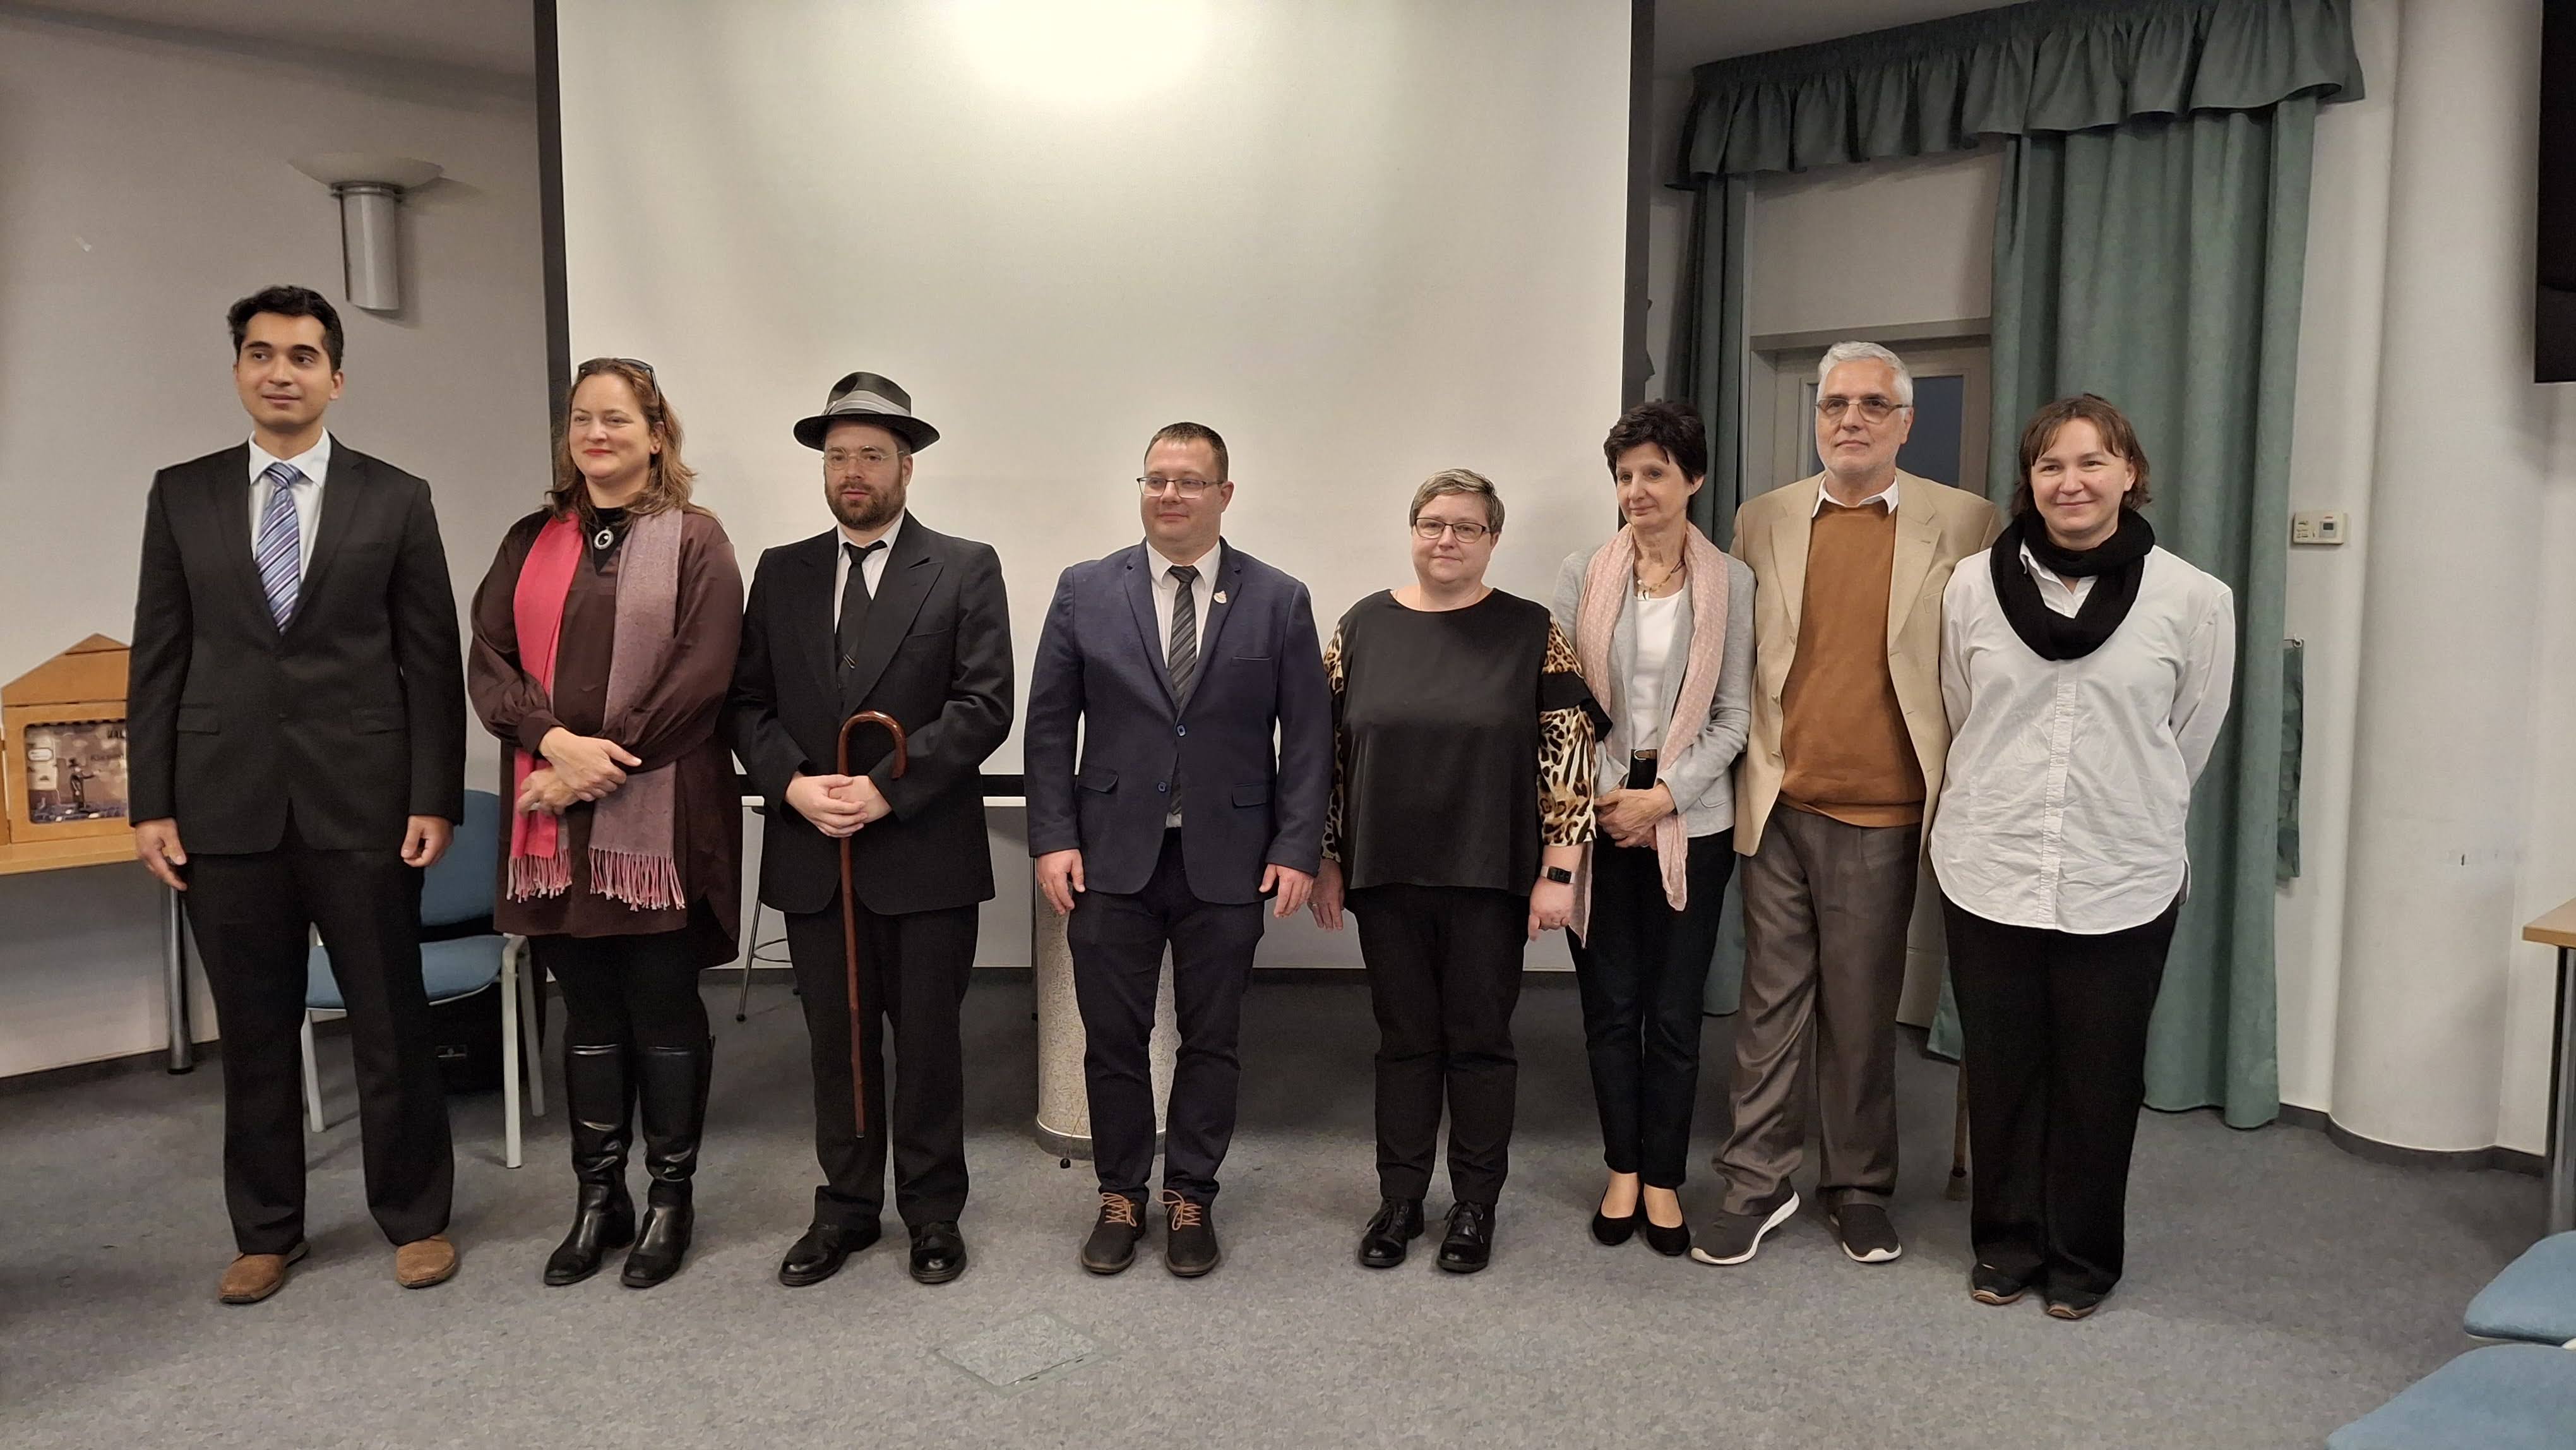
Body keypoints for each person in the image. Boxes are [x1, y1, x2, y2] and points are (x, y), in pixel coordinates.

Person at [127, 284, 466, 1303]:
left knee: (390, 1021)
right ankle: (267, 1230)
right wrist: (151, 802)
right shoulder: (181, 496)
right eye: (263, 354)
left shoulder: (396, 498)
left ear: (336, 378)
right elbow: (158, 657)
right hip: (222, 805)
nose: (282, 372)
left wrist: (434, 796)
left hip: (364, 804)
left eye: (304, 356)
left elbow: (430, 661)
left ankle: (416, 1216)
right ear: (238, 370)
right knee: (254, 1031)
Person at [1933, 394, 2233, 1320]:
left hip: (2121, 871)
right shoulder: (1971, 587)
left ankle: (2082, 1259)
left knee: (2100, 1081)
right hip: (1990, 863)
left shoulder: (2194, 599)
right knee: (2003, 1072)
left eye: (2092, 461)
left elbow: (2189, 736)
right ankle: (2006, 1245)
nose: (2071, 482)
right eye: (2051, 465)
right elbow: (1961, 709)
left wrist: (2121, 802)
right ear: (2029, 482)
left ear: (2129, 473)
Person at [1702, 340, 2000, 1269]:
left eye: (1873, 405)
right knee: (1768, 1009)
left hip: (1884, 810)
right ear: (1817, 418)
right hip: (1779, 804)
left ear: (1905, 423)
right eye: (1834, 404)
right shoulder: (1763, 518)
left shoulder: (1968, 522)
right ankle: (1755, 1182)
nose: (1851, 420)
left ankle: (1858, 1188)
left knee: (1863, 1014)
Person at [1025, 421, 1332, 1279]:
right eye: (1156, 478)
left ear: (1224, 495)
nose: (1170, 494)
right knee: (1113, 1039)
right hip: (1109, 857)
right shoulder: (1086, 588)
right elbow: (1048, 726)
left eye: (1190, 481)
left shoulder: (1279, 598)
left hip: (1228, 859)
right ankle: (1120, 1194)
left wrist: (1298, 846)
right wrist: (1053, 837)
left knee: (1212, 1037)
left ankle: (1192, 1191)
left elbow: (1309, 737)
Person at [726, 372, 1013, 1289]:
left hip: (923, 850)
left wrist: (888, 790)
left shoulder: (965, 566)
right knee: (836, 1043)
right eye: (839, 456)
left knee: (927, 1045)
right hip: (815, 850)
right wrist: (792, 784)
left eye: (873, 456)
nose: (853, 472)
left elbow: (984, 704)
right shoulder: (782, 570)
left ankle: (932, 1212)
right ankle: (845, 1208)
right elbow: (747, 703)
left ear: (907, 467)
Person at [467, 357, 742, 1290]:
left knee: (662, 1010)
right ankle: (599, 1198)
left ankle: (670, 1198)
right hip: (552, 831)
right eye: (583, 418)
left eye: (617, 419)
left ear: (656, 436)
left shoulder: (698, 539)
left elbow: (703, 674)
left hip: (661, 819)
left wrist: (592, 764)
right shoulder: (529, 538)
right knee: (587, 1015)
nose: (596, 433)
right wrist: (550, 742)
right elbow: (490, 660)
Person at [1311, 470, 1598, 1273]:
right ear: (1413, 531)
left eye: (1467, 527)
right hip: (1386, 873)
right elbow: (1323, 755)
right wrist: (1325, 856)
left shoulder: (1531, 629)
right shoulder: (1361, 626)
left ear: (1492, 539)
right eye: (1433, 523)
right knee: (1404, 1041)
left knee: (1478, 1043)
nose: (1447, 539)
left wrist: (1560, 872)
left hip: (1489, 874)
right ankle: (1400, 1199)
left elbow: (1569, 754)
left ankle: (1475, 1203)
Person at [1552, 401, 1754, 1258]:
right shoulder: (1583, 573)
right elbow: (1562, 703)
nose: (1637, 490)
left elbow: (1735, 716)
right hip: (1598, 812)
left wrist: (1663, 797)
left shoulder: (1732, 581)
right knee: (1609, 1005)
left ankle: (1665, 1175)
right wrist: (1613, 799)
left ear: (1692, 479)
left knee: (1672, 1012)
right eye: (1625, 475)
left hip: (1692, 820)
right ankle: (1623, 1169)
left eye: (1654, 473)